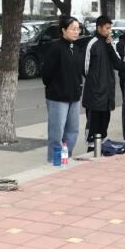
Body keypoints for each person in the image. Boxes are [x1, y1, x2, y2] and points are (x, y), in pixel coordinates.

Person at [83, 16, 125, 151]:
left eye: (110, 28)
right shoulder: (92, 43)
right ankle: (91, 147)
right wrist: (95, 82)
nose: (109, 31)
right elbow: (85, 69)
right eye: (107, 28)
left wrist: (110, 46)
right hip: (94, 92)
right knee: (93, 123)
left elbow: (118, 64)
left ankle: (102, 146)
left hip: (107, 91)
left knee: (105, 121)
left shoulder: (110, 43)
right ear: (99, 28)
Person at [42, 16, 83, 162]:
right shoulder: (55, 48)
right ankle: (55, 160)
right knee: (57, 132)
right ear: (64, 30)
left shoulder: (76, 49)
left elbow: (78, 72)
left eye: (78, 29)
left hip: (74, 97)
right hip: (57, 97)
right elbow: (46, 74)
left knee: (72, 131)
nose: (76, 32)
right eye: (73, 29)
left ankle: (66, 157)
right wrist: (56, 87)